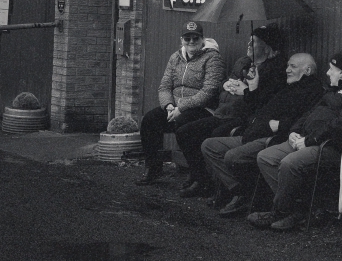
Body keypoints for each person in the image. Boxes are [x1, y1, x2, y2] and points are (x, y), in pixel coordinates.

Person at [247, 49, 342, 231]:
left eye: (331, 69)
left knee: (289, 163)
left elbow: (341, 124)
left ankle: (280, 211)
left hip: (329, 146)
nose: (327, 73)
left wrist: (310, 140)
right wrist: (294, 131)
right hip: (305, 139)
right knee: (266, 157)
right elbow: (308, 113)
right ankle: (297, 209)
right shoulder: (330, 90)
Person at [201, 53, 324, 217]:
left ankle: (246, 197)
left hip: (270, 138)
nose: (287, 70)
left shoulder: (313, 91)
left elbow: (303, 121)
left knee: (233, 157)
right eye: (287, 65)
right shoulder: (286, 86)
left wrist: (278, 125)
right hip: (251, 132)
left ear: (307, 70)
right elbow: (258, 107)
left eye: (293, 66)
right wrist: (252, 87)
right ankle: (240, 192)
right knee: (209, 146)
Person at [177, 23, 287, 197]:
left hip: (242, 117)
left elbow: (262, 103)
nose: (248, 45)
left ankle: (225, 189)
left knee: (213, 134)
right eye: (249, 41)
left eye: (254, 42)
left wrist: (247, 90)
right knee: (184, 131)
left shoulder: (274, 71)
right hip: (223, 111)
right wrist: (226, 84)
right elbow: (224, 82)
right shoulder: (244, 62)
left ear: (267, 48)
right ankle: (200, 178)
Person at [135, 21, 226, 186]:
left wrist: (181, 108)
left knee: (183, 123)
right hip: (175, 107)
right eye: (187, 38)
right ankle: (153, 168)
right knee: (150, 120)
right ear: (181, 39)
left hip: (203, 108)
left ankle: (196, 173)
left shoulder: (213, 57)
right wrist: (169, 105)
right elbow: (164, 86)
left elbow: (209, 91)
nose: (191, 42)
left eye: (195, 38)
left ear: (202, 39)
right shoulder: (176, 57)